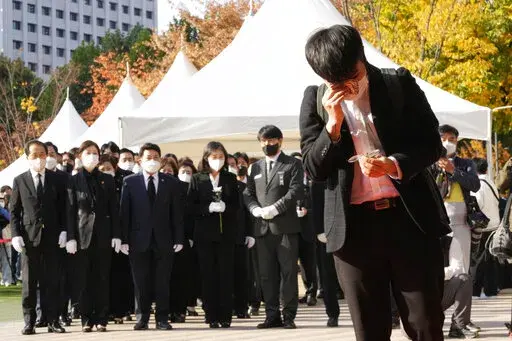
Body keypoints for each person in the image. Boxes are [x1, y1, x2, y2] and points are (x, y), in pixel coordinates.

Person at [300, 25, 450, 340]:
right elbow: (314, 169)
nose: (347, 86)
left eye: (353, 76)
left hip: (409, 221)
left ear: (362, 58)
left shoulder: (398, 84)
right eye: (336, 81)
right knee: (369, 330)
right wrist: (332, 126)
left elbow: (431, 143)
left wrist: (394, 164)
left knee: (425, 323)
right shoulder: (315, 100)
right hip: (353, 231)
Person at [244, 125, 304, 329]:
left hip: (285, 227)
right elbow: (248, 193)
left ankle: (288, 316)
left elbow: (296, 190)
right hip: (262, 228)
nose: (267, 144)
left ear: (280, 141)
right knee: (266, 275)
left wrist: (277, 208)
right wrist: (254, 209)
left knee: (288, 273)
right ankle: (272, 315)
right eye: (263, 141)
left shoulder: (293, 164)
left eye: (271, 140)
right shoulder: (256, 167)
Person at [120, 143, 184, 331]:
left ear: (161, 159)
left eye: (156, 157)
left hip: (164, 240)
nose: (152, 161)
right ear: (140, 160)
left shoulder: (170, 182)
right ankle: (142, 318)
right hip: (138, 241)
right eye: (148, 157)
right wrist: (124, 239)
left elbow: (177, 214)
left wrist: (179, 238)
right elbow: (125, 213)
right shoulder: (130, 182)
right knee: (141, 282)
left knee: (162, 281)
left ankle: (162, 318)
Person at [10, 140, 68, 335]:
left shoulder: (57, 180)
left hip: (53, 238)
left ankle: (53, 320)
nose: (39, 158)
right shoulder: (20, 180)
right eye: (34, 155)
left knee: (52, 282)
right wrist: (16, 235)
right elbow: (15, 212)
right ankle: (29, 322)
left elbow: (64, 209)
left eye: (42, 154)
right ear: (27, 158)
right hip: (29, 238)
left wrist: (64, 231)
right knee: (29, 283)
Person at [65, 141, 121, 332]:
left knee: (102, 278)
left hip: (103, 235)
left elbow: (114, 209)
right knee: (84, 280)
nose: (92, 156)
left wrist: (116, 235)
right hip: (82, 236)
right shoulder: (73, 180)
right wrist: (71, 236)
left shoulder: (107, 179)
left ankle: (101, 318)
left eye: (95, 153)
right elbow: (70, 209)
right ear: (80, 156)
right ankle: (86, 319)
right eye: (88, 153)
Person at [187, 141, 241, 328]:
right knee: (207, 275)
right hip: (204, 236)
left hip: (226, 235)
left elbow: (237, 206)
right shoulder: (197, 178)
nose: (217, 160)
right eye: (213, 157)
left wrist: (226, 207)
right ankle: (211, 315)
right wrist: (206, 208)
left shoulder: (230, 178)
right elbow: (190, 206)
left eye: (220, 157)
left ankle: (226, 315)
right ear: (206, 158)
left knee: (225, 275)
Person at [44, 142, 72, 327]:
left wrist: (65, 230)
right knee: (41, 279)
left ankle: (62, 313)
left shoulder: (64, 178)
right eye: (44, 153)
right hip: (39, 235)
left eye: (52, 153)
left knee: (61, 277)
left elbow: (68, 207)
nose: (48, 157)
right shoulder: (29, 178)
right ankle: (42, 315)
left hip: (60, 235)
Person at [290, 152, 318, 307]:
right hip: (291, 230)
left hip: (308, 230)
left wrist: (308, 211)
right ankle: (292, 294)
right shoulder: (288, 183)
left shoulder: (312, 182)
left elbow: (319, 206)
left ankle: (311, 293)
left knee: (308, 265)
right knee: (290, 265)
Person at [471, 158, 501, 298]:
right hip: (494, 225)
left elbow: (477, 206)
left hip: (483, 227)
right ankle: (491, 289)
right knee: (490, 260)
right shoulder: (491, 182)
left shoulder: (478, 185)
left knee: (478, 260)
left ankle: (475, 291)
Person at [176, 159, 201, 317]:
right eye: (182, 172)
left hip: (194, 237)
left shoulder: (195, 191)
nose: (185, 175)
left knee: (192, 273)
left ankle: (191, 304)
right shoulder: (174, 190)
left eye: (189, 172)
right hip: (178, 237)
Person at [442, 236, 479, 338]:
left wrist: (435, 273)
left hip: (440, 290)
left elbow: (457, 268)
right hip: (418, 300)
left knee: (464, 279)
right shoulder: (414, 241)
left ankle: (458, 327)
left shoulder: (451, 241)